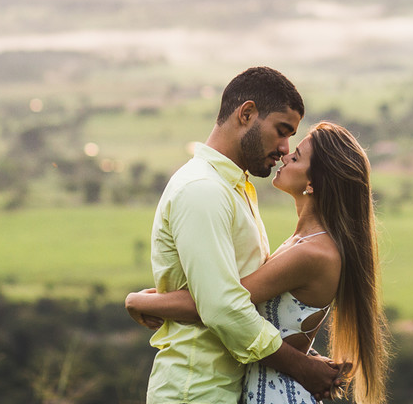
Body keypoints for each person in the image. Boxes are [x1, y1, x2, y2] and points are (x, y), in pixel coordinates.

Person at [128, 120, 388, 404]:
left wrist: (140, 302)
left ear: (313, 182)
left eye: (297, 156)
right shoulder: (303, 242)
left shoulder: (311, 252)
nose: (286, 154)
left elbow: (220, 303)